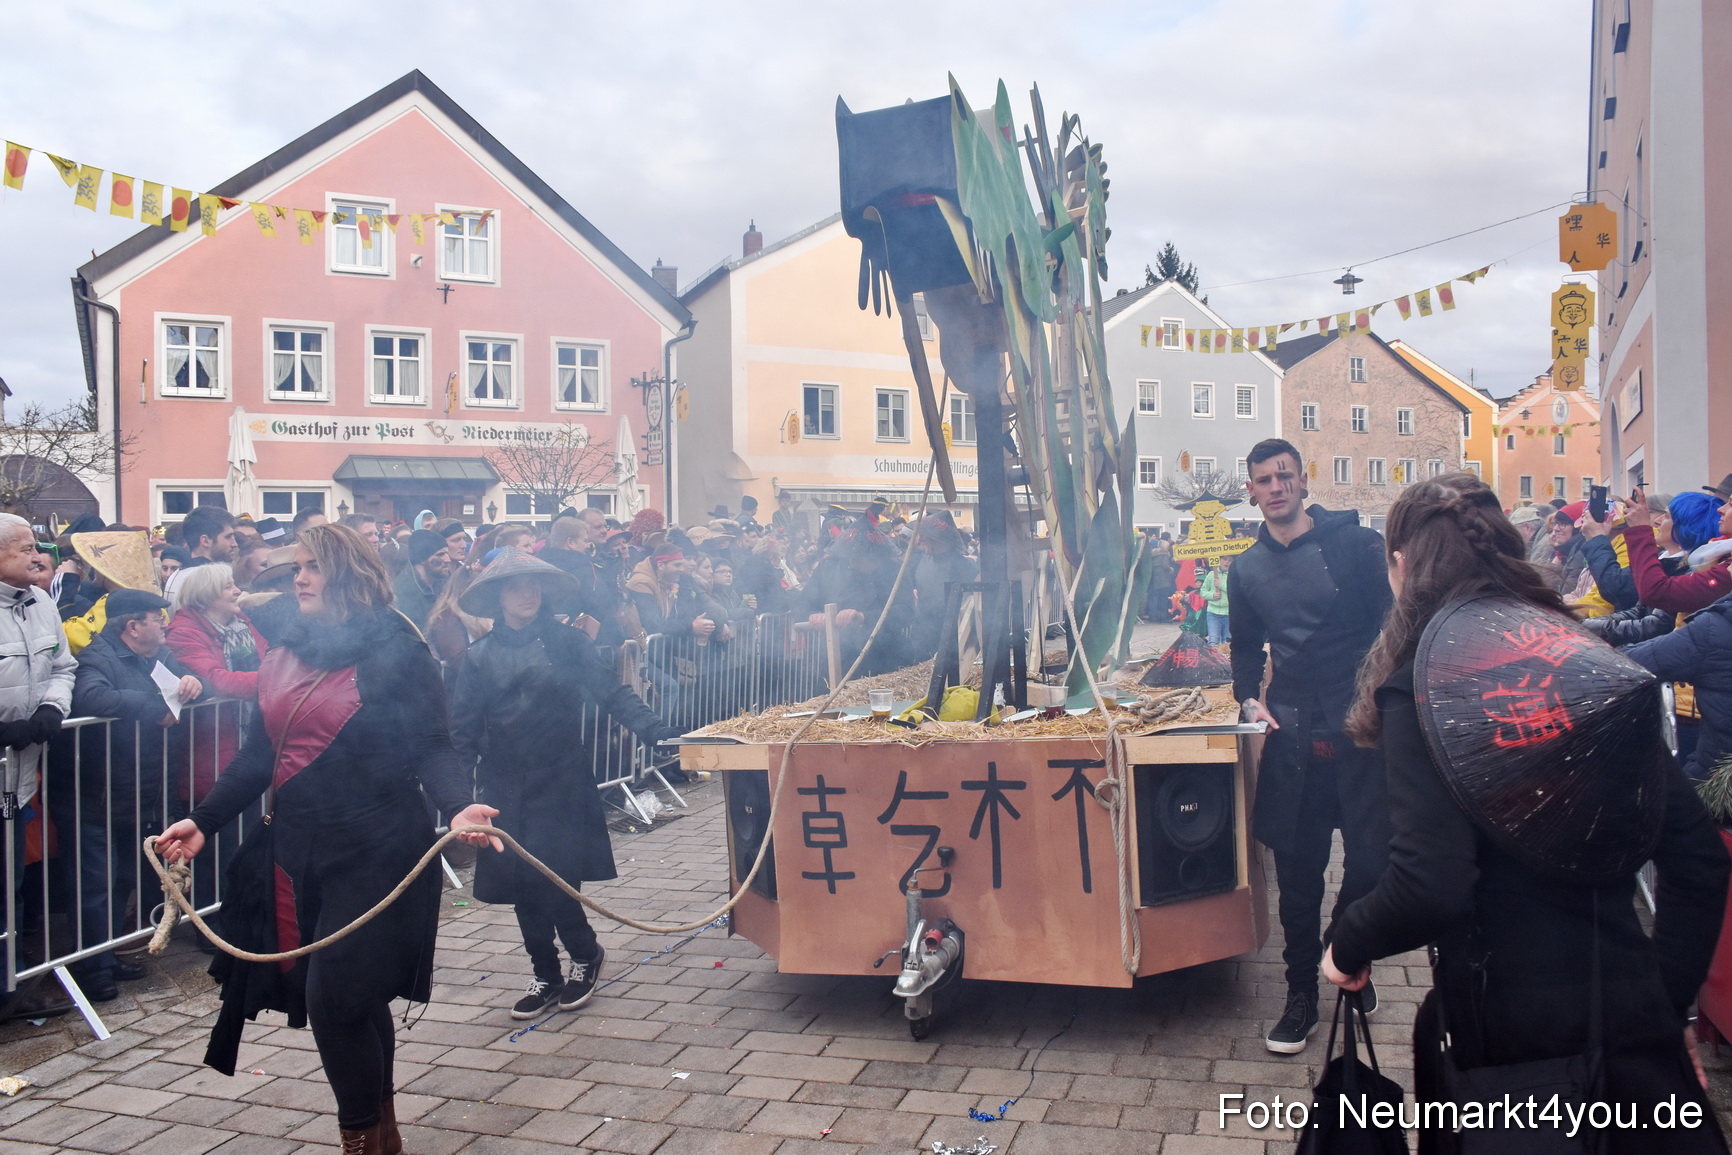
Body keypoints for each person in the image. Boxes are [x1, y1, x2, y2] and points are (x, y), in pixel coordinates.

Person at [1323, 472, 1730, 1154]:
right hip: (1625, 1013)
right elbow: (1697, 858)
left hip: (1508, 1044)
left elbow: (1432, 882)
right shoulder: (1582, 660)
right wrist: (1663, 1004)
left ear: (1402, 565)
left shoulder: (1423, 682)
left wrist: (1349, 943)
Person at [153, 524, 499, 1154]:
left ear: (347, 572)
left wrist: (457, 807)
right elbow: (262, 753)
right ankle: (384, 1133)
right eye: (297, 568)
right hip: (297, 849)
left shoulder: (400, 647)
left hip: (379, 845)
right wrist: (203, 819)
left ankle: (362, 1142)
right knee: (356, 1000)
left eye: (313, 567)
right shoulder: (286, 647)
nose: (299, 577)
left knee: (335, 999)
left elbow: (432, 745)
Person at [452, 551, 678, 1019]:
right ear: (498, 596)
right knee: (521, 883)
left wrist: (656, 730)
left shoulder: (568, 643)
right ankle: (544, 973)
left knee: (556, 878)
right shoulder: (477, 656)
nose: (527, 593)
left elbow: (611, 692)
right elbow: (462, 732)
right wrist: (456, 798)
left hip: (561, 777)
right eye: (516, 586)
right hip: (503, 786)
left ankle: (584, 955)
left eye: (533, 584)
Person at [1227, 438, 1392, 1054]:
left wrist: (1387, 695)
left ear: (1303, 481)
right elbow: (1246, 647)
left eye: (1284, 475)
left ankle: (1343, 950)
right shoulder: (1244, 569)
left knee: (1374, 864)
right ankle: (1301, 995)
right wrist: (1248, 697)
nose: (1275, 486)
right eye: (1264, 479)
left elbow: (1391, 623)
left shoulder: (1356, 547)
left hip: (1360, 733)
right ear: (1252, 490)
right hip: (1293, 740)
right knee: (1297, 881)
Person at [53, 587, 202, 1001]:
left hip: (132, 790)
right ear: (133, 626)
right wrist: (151, 705)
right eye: (157, 618)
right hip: (92, 793)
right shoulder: (97, 656)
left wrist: (192, 682)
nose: (165, 624)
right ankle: (92, 966)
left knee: (119, 879)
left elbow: (190, 681)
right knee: (92, 884)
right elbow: (90, 696)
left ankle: (108, 952)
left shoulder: (158, 655)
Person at [0, 514, 77, 1021]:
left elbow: (64, 667)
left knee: (11, 885)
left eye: (36, 546)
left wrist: (52, 708)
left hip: (19, 778)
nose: (36, 556)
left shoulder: (42, 603)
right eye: (23, 547)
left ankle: (9, 989)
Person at [165, 563, 268, 911]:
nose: (237, 590)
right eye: (228, 587)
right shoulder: (184, 632)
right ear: (207, 596)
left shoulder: (242, 624)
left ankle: (238, 914)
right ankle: (209, 921)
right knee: (213, 841)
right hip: (207, 750)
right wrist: (273, 682)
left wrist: (276, 676)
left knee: (244, 838)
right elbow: (216, 678)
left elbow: (271, 660)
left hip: (243, 741)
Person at [392, 529, 452, 632]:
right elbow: (416, 636)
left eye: (447, 553)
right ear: (422, 558)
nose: (448, 559)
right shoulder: (404, 592)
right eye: (440, 554)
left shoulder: (443, 581)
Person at [1200, 554, 1232, 646]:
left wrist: (1220, 585)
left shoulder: (1232, 575)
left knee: (1227, 642)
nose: (1227, 562)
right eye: (1225, 559)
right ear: (1219, 561)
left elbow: (1234, 592)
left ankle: (1226, 660)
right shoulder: (1211, 575)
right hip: (1213, 613)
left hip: (1228, 614)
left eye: (1229, 560)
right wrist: (1212, 595)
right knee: (1213, 641)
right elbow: (1203, 591)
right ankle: (1213, 660)